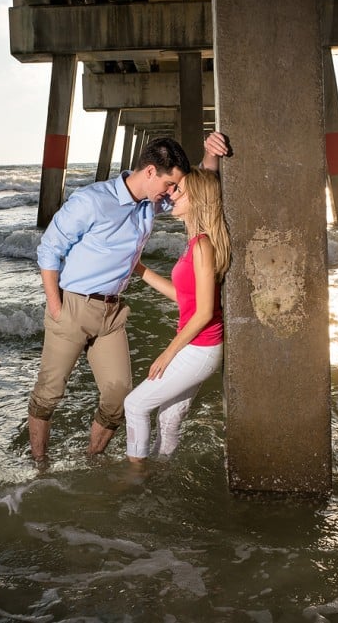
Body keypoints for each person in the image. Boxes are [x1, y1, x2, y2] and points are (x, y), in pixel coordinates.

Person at [27, 133, 230, 462]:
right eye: (168, 184)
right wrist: (57, 307)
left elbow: (196, 194)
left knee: (119, 395)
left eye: (173, 188)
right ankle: (39, 466)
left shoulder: (153, 201)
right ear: (150, 172)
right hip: (74, 306)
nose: (169, 193)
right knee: (49, 394)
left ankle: (92, 458)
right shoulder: (91, 200)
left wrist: (210, 156)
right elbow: (49, 250)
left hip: (112, 313)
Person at [124, 163, 230, 465]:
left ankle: (135, 479)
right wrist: (140, 270)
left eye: (178, 190)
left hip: (200, 350)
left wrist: (167, 354)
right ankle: (161, 476)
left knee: (135, 406)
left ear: (196, 200)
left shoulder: (202, 246)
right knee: (168, 420)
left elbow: (205, 312)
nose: (171, 193)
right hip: (199, 348)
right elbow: (184, 298)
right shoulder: (195, 243)